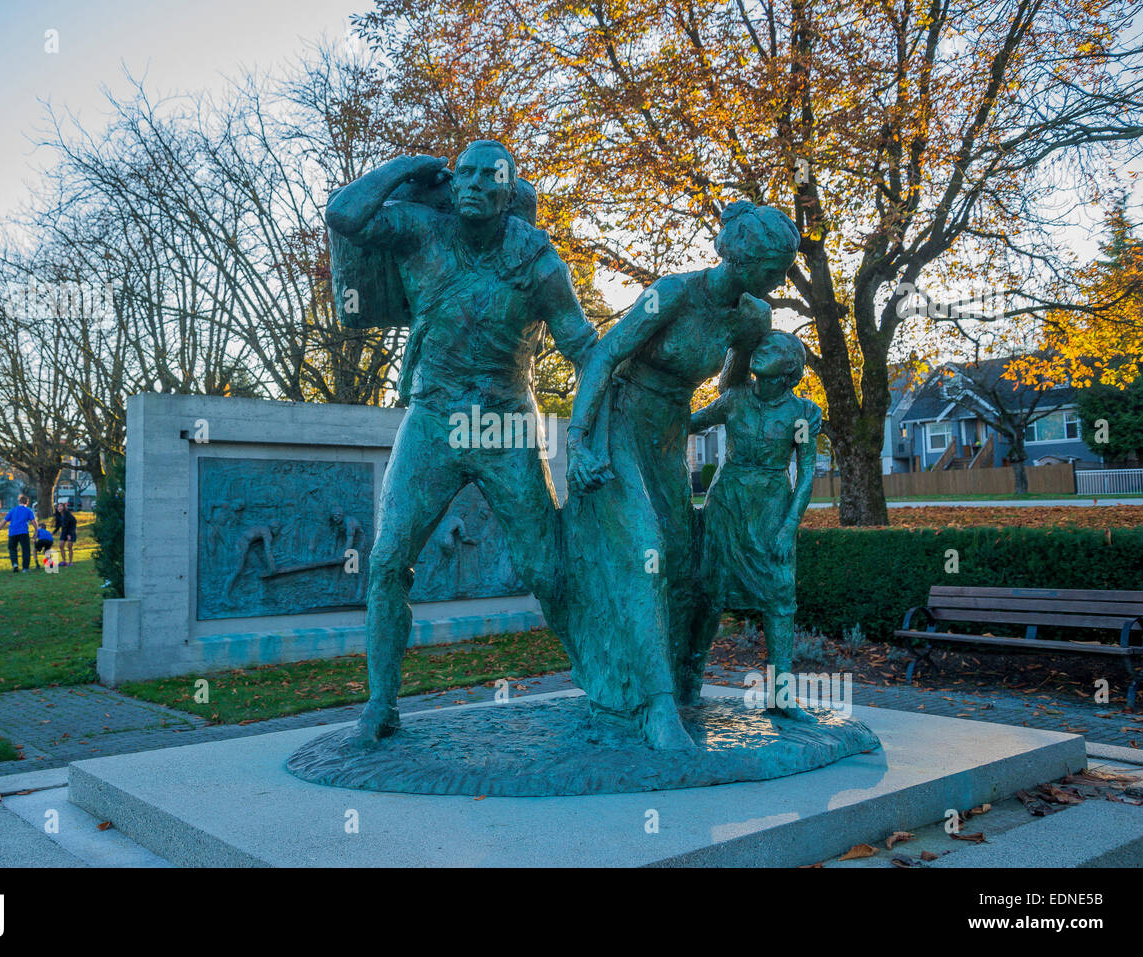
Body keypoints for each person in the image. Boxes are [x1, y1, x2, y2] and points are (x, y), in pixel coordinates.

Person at [326, 140, 598, 743]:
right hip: (433, 421)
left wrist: (594, 425)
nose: (473, 184)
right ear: (453, 185)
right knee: (391, 560)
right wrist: (407, 169)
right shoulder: (420, 231)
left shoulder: (538, 261)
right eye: (465, 173)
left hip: (505, 426)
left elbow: (581, 345)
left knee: (546, 568)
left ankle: (600, 680)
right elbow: (343, 215)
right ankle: (381, 706)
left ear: (510, 192)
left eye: (489, 176)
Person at [563, 201, 801, 747]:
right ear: (744, 257)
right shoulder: (671, 292)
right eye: (777, 267)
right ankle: (657, 708)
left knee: (681, 559)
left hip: (669, 431)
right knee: (646, 549)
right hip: (619, 421)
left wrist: (780, 400)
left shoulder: (752, 317)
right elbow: (604, 356)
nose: (783, 279)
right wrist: (578, 440)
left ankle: (674, 680)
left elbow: (734, 387)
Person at [690, 331, 820, 722]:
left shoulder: (803, 413)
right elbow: (688, 424)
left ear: (790, 369)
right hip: (726, 508)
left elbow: (808, 471)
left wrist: (788, 527)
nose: (764, 349)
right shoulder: (734, 400)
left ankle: (780, 695)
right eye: (762, 345)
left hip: (771, 511)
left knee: (780, 598)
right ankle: (686, 684)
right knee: (710, 597)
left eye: (777, 348)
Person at [0, 494, 37, 573]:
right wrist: (36, 529)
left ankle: (15, 564)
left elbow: (4, 520)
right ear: (27, 502)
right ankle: (25, 568)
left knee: (12, 549)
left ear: (19, 502)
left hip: (12, 532)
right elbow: (33, 521)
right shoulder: (28, 510)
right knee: (25, 550)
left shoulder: (13, 510)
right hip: (23, 532)